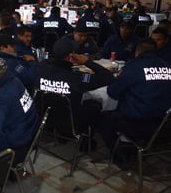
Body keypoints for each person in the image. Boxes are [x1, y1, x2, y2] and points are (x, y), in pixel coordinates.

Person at [98, 39, 171, 168]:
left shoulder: (134, 67)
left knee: (102, 117)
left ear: (137, 52)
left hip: (140, 125)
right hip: (165, 126)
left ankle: (121, 157)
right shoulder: (167, 66)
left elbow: (112, 92)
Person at [36, 37, 115, 137]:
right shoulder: (77, 78)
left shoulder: (42, 67)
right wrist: (87, 62)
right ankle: (87, 140)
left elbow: (50, 63)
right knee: (95, 105)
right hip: (71, 122)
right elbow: (109, 77)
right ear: (71, 56)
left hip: (45, 118)